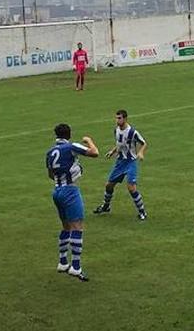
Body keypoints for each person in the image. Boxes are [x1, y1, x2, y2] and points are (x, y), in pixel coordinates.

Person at [46, 123, 98, 281]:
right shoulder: (71, 147)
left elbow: (50, 174)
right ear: (69, 135)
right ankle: (75, 266)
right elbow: (95, 153)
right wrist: (89, 141)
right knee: (77, 227)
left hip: (57, 192)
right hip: (70, 191)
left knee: (65, 226)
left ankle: (62, 262)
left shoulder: (50, 152)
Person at [93, 109, 148, 220]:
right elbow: (119, 144)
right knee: (109, 185)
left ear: (125, 119)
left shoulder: (132, 132)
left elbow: (144, 143)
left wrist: (141, 152)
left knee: (131, 187)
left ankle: (142, 212)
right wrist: (112, 151)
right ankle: (106, 206)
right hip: (120, 162)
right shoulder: (116, 130)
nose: (117, 120)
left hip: (130, 162)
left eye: (119, 118)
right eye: (116, 118)